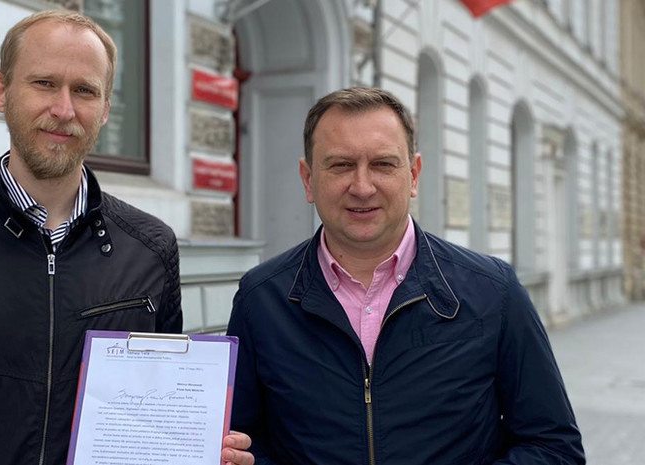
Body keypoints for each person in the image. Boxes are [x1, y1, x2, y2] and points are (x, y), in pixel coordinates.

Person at [0, 11, 253, 465]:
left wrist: (195, 449)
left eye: (84, 90)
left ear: (106, 109)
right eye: (44, 83)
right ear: (0, 91)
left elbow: (154, 422)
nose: (63, 109)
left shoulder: (150, 249)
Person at [227, 87, 584, 464]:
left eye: (383, 164)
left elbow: (554, 447)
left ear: (413, 175)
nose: (362, 187)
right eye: (341, 165)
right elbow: (240, 440)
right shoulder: (261, 299)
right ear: (308, 179)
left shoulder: (493, 293)